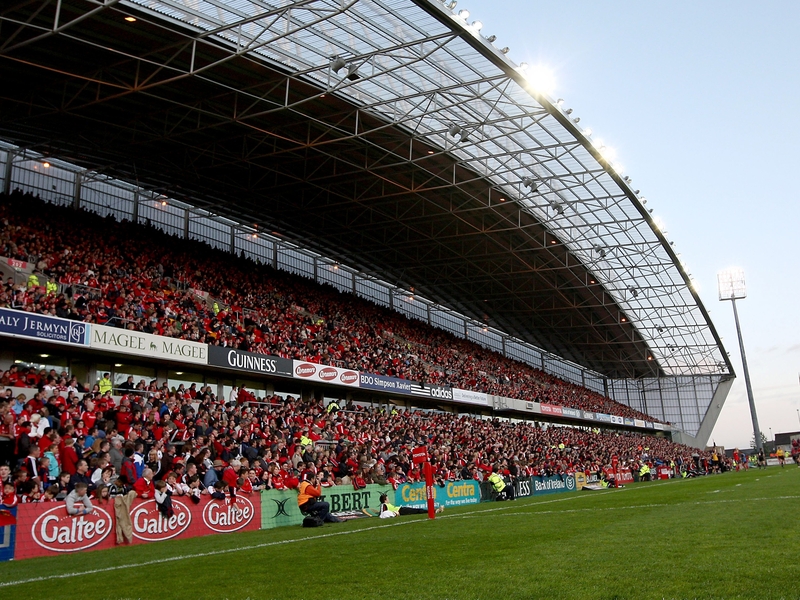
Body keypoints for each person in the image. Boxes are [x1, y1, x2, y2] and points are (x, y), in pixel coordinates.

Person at [375, 492, 443, 518]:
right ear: (385, 500)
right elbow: (382, 513)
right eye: (387, 498)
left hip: (401, 509)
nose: (388, 499)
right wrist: (395, 513)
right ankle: (434, 511)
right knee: (417, 511)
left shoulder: (387, 504)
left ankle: (434, 511)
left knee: (416, 510)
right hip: (400, 511)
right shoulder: (384, 505)